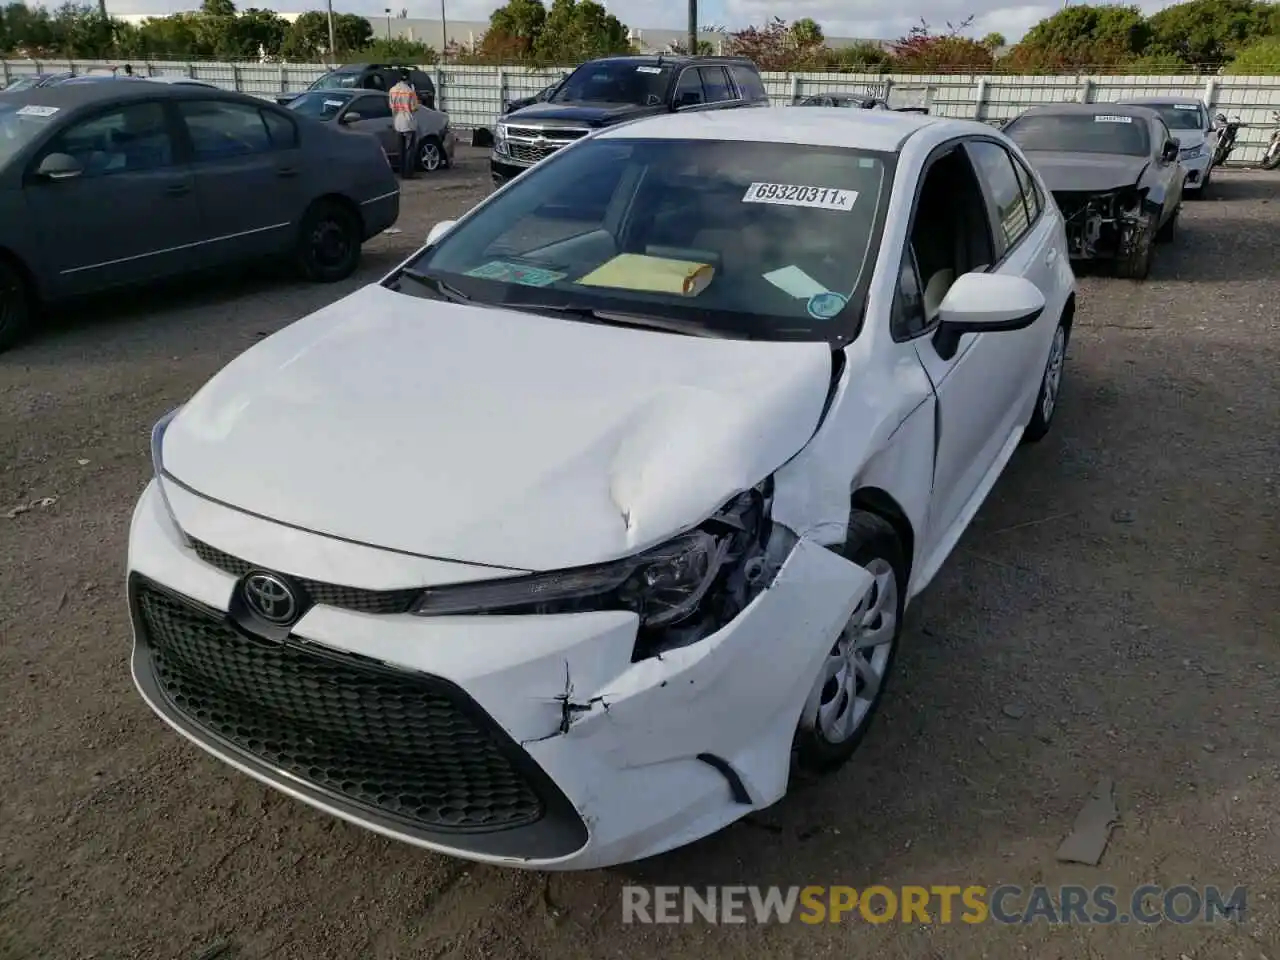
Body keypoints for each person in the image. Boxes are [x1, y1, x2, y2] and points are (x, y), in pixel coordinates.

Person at [389, 70, 419, 180]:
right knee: (409, 149)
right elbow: (414, 108)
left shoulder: (392, 90)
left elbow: (392, 108)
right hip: (408, 122)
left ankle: (401, 172)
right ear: (408, 79)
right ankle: (409, 173)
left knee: (400, 149)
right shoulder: (410, 91)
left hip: (398, 121)